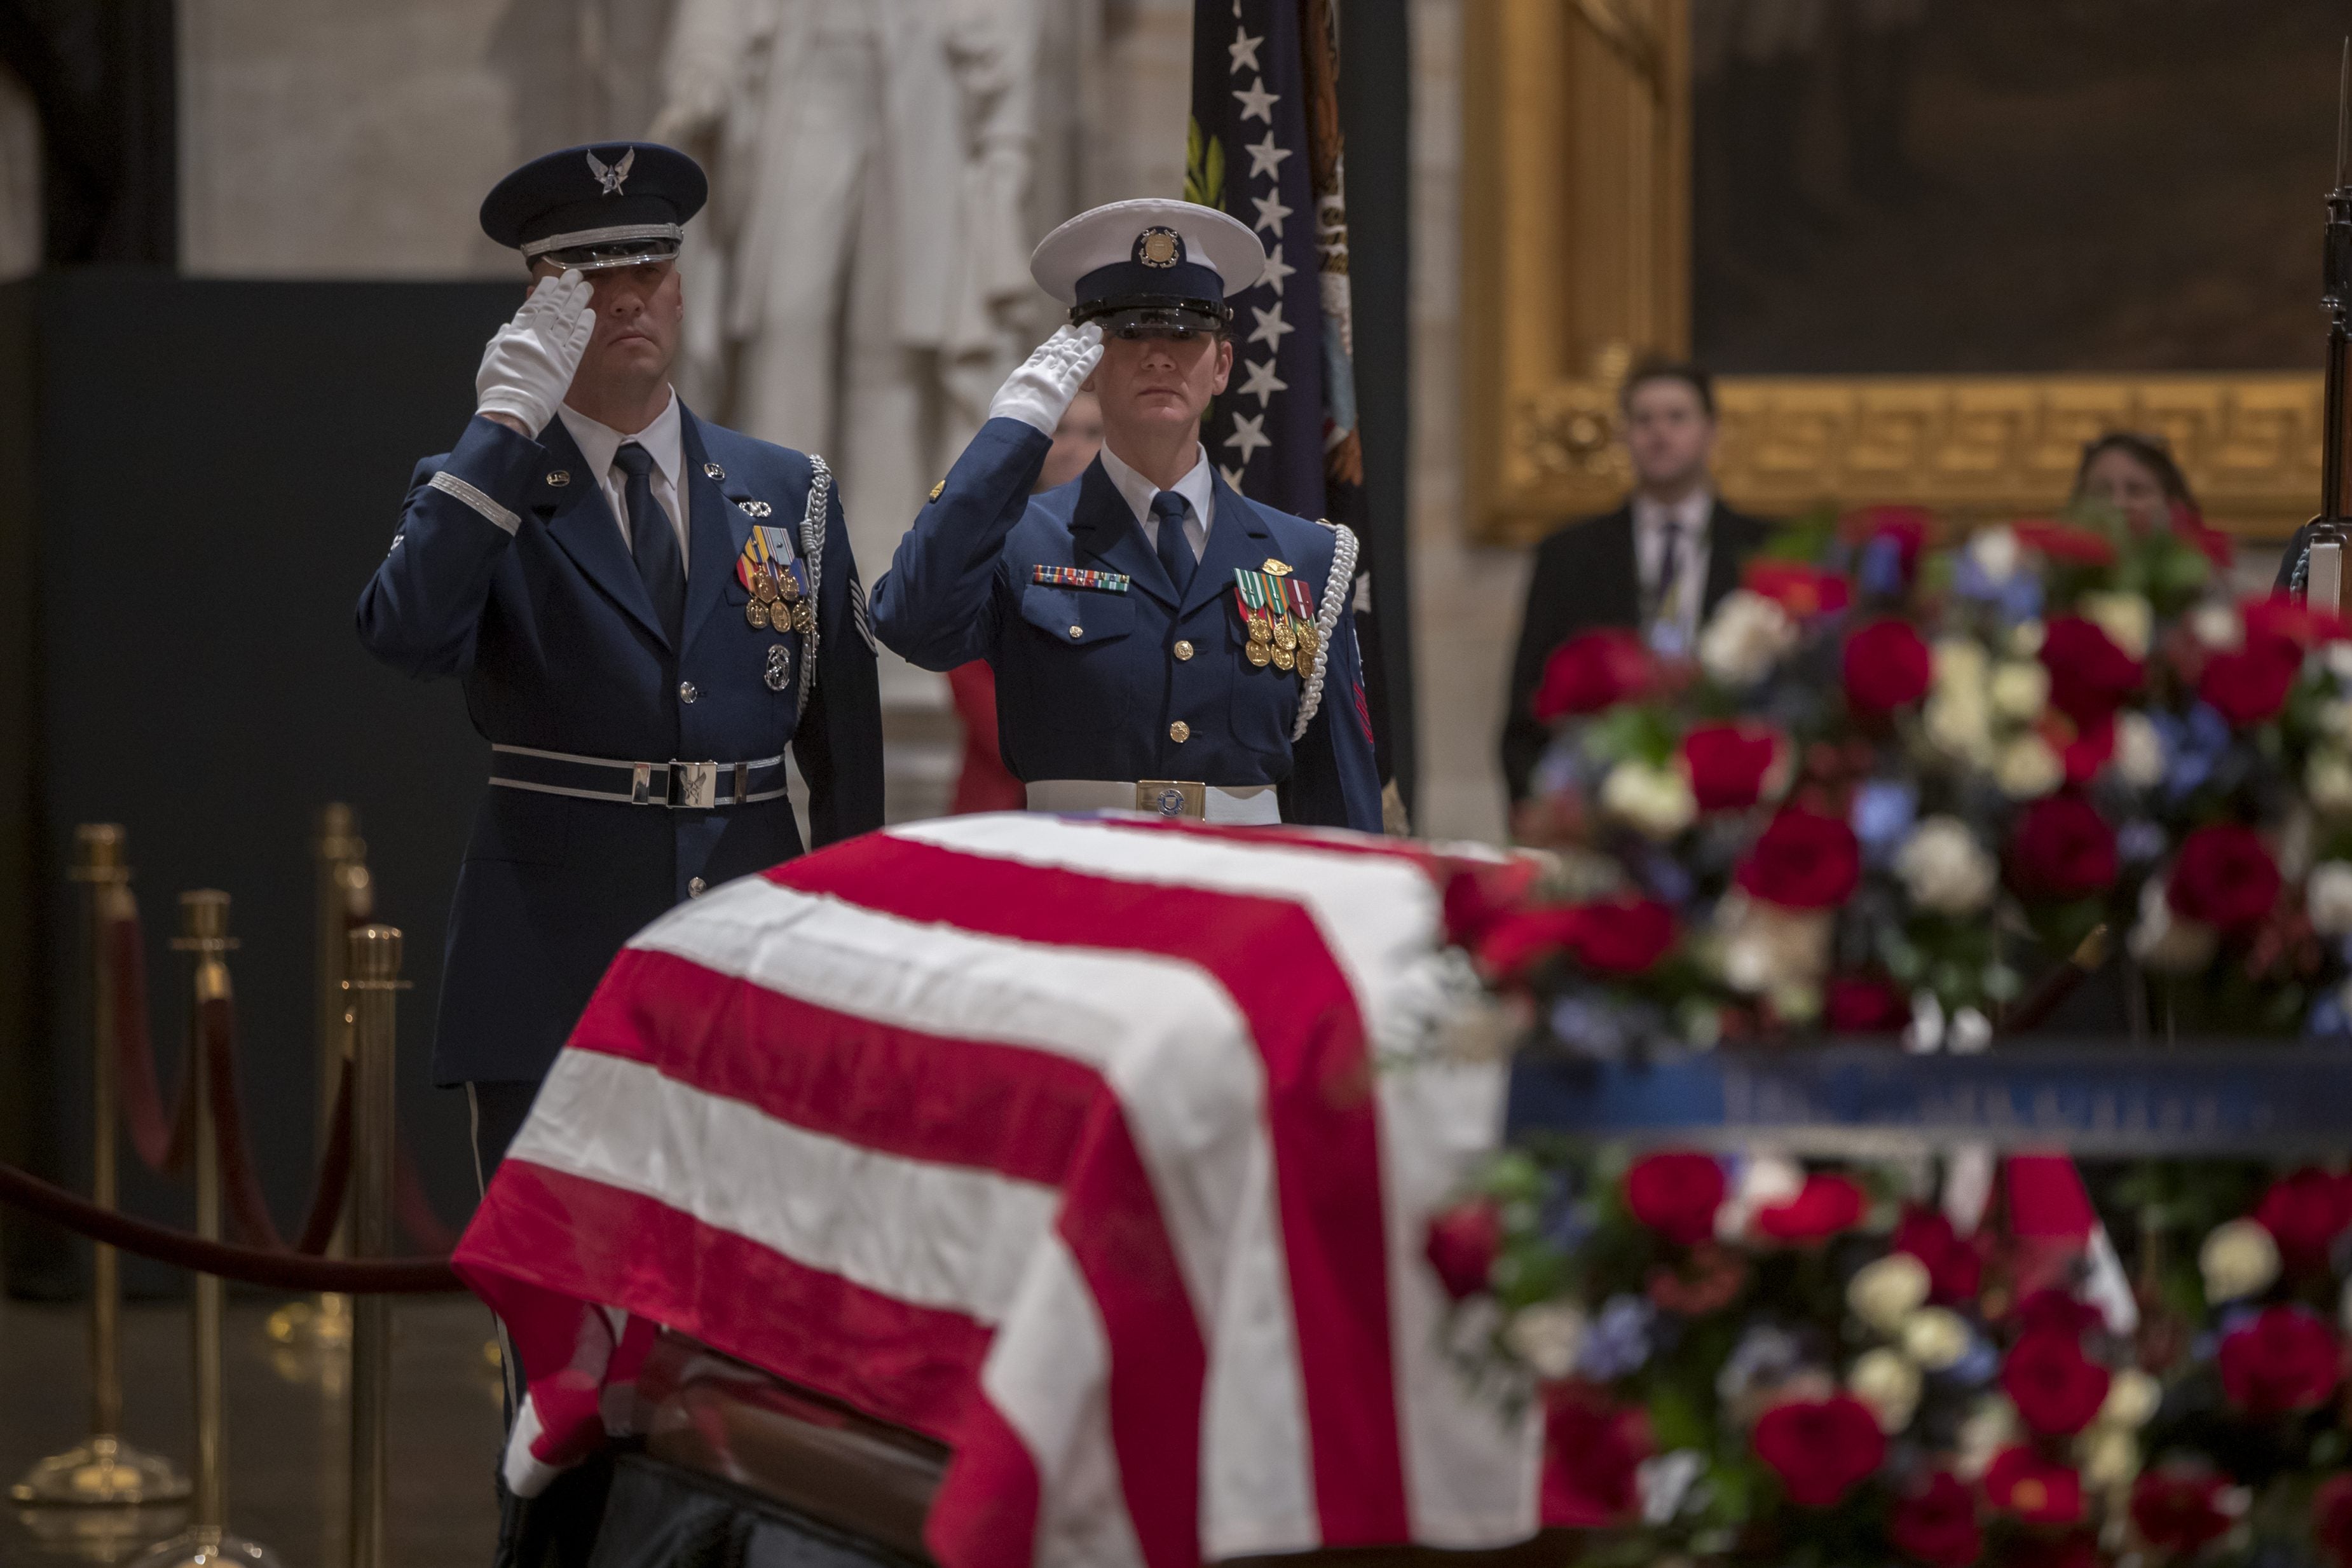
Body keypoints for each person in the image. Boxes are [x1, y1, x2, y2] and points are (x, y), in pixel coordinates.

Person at [355, 139, 885, 1192]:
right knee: (565, 1319)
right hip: (549, 959)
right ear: (539, 311)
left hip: (747, 948)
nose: (626, 300)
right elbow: (405, 631)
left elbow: (848, 750)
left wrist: (848, 955)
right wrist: (502, 428)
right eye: (589, 282)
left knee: (732, 1316)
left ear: (682, 291)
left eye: (646, 272)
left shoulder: (788, 492)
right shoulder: (484, 487)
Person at [872, 198, 1382, 831]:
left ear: (1221, 365)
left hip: (1239, 896)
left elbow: (1336, 790)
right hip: (1073, 884)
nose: (1159, 355)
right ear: (1086, 366)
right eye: (1132, 332)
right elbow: (910, 623)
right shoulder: (1021, 542)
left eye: (1186, 333)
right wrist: (1014, 431)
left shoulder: (1306, 554)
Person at [1500, 358, 1774, 806]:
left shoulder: (1763, 549)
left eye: (1677, 417)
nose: (1659, 433)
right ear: (1625, 435)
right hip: (1601, 798)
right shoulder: (1568, 554)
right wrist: (1530, 801)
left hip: (1731, 797)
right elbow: (1530, 694)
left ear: (1712, 431)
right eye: (1644, 419)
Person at [946, 390, 1103, 814]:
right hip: (1006, 792)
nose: (1073, 448)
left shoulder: (1134, 538)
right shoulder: (990, 534)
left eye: (1093, 433)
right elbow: (968, 672)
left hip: (1108, 796)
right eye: (1060, 431)